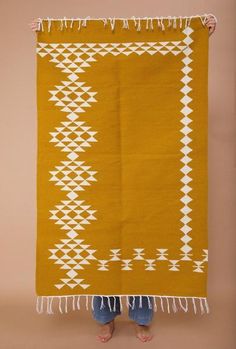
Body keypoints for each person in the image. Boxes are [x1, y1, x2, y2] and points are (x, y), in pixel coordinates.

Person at [30, 14, 216, 343]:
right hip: (95, 176)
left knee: (145, 238)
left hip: (149, 176)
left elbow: (181, 57)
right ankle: (105, 317)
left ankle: (141, 318)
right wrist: (48, 34)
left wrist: (201, 33)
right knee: (99, 241)